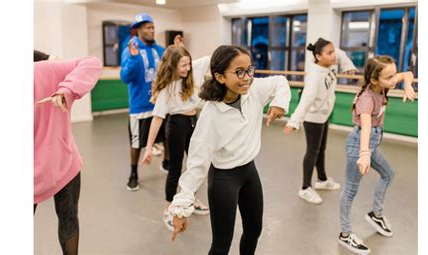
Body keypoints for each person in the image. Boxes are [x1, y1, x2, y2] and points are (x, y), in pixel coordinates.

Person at [168, 45, 291, 254]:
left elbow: (280, 81)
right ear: (220, 77)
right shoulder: (211, 115)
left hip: (249, 172)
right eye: (239, 72)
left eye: (249, 70)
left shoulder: (254, 91)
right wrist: (181, 207)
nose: (247, 78)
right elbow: (197, 164)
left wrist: (279, 103)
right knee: (221, 244)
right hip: (224, 179)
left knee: (254, 229)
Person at [338, 55, 415, 254]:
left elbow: (407, 74)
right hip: (359, 145)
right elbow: (364, 127)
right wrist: (364, 153)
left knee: (388, 174)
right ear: (374, 79)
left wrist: (408, 85)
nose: (393, 80)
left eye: (392, 75)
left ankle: (375, 214)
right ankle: (345, 234)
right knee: (350, 190)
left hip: (372, 143)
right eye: (389, 77)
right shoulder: (366, 99)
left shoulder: (383, 84)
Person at [34, 50, 102, 255]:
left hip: (63, 164)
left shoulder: (42, 70)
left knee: (69, 217)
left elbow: (91, 63)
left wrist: (67, 90)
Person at [140, 43, 211, 231]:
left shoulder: (193, 68)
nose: (188, 68)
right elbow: (157, 118)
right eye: (183, 65)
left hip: (193, 122)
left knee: (195, 165)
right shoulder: (167, 88)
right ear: (172, 66)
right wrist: (148, 148)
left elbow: (212, 58)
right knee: (175, 168)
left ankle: (190, 200)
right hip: (176, 125)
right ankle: (169, 209)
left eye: (188, 63)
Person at [284, 38, 357, 204]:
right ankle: (304, 188)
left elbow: (341, 54)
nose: (334, 56)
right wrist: (294, 121)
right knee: (312, 151)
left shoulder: (329, 63)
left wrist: (348, 65)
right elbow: (306, 99)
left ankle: (322, 180)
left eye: (333, 52)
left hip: (324, 114)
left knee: (321, 149)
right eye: (329, 53)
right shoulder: (314, 75)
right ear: (318, 56)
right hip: (313, 118)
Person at [120, 13, 171, 191]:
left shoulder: (160, 50)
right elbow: (125, 77)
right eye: (148, 28)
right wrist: (133, 58)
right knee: (136, 143)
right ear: (138, 30)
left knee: (167, 137)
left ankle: (166, 162)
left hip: (160, 104)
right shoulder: (130, 50)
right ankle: (133, 174)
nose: (151, 30)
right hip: (139, 106)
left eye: (152, 27)